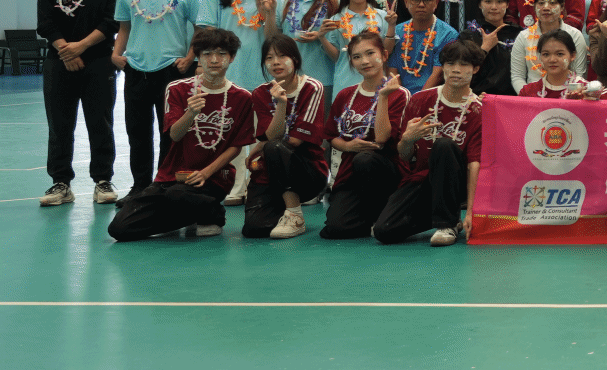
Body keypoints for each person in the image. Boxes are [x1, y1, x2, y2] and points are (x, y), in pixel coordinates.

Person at [107, 26, 255, 242]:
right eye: (207, 54)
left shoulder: (242, 97)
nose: (214, 60)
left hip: (213, 178)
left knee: (178, 195)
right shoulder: (177, 89)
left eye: (222, 54)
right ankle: (196, 213)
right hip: (172, 175)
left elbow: (236, 147)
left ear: (231, 58)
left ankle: (213, 213)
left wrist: (205, 173)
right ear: (198, 58)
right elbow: (174, 135)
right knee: (120, 228)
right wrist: (190, 113)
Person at [110, 0, 206, 198]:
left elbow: (200, 29)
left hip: (172, 71)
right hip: (136, 69)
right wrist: (116, 54)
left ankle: (164, 184)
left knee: (171, 132)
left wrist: (190, 57)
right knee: (137, 132)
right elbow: (124, 27)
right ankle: (140, 186)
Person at [37, 0, 124, 209]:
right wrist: (66, 51)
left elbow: (112, 21)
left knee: (100, 122)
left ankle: (103, 180)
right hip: (59, 62)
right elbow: (45, 23)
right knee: (59, 125)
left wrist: (82, 47)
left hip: (99, 62)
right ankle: (61, 182)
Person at [373, 39, 487, 247]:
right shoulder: (420, 100)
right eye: (450, 64)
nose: (456, 70)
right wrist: (408, 139)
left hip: (457, 184)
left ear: (476, 69)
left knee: (444, 145)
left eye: (464, 65)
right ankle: (443, 216)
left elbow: (474, 164)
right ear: (443, 66)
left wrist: (471, 212)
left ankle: (447, 224)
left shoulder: (479, 110)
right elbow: (404, 155)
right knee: (384, 231)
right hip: (422, 179)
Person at [240, 35, 329, 240]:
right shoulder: (260, 93)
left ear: (295, 59)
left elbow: (295, 141)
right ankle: (282, 209)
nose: (275, 62)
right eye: (269, 58)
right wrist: (280, 104)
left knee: (274, 147)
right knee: (254, 229)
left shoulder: (312, 87)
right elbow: (271, 136)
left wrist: (262, 145)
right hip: (272, 172)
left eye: (282, 56)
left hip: (308, 171)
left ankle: (295, 215)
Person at [320, 32, 407, 240]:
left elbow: (382, 138)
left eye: (370, 53)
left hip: (385, 171)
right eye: (357, 57)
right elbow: (331, 136)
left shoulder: (399, 94)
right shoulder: (345, 95)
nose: (364, 61)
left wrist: (383, 96)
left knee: (366, 159)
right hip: (351, 172)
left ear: (384, 55)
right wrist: (348, 146)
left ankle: (384, 211)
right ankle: (369, 215)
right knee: (335, 229)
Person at [275, 0, 337, 103]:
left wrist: (320, 37)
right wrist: (269, 13)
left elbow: (339, 48)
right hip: (288, 79)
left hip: (324, 80)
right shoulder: (282, 0)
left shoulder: (335, 3)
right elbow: (272, 38)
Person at [317, 0, 388, 94]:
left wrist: (392, 27)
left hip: (376, 84)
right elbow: (337, 57)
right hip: (345, 83)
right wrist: (322, 37)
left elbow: (388, 51)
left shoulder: (382, 17)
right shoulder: (336, 19)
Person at [508, 0, 588, 92]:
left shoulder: (575, 35)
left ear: (562, 7)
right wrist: (529, 97)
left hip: (568, 95)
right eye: (541, 3)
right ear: (534, 7)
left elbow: (579, 74)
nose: (546, 8)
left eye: (552, 3)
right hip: (532, 96)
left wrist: (567, 97)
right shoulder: (523, 37)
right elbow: (517, 76)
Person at [390, 0, 461, 94]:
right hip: (399, 95)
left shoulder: (448, 34)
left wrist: (417, 100)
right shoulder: (396, 31)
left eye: (427, 0)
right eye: (415, 0)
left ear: (436, 3)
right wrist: (401, 97)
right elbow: (391, 70)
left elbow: (438, 75)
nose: (421, 5)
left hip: (432, 96)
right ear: (406, 2)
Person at [464, 0, 519, 96]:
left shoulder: (518, 34)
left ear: (507, 4)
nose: (494, 7)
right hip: (478, 97)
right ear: (480, 4)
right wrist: (484, 48)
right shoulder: (469, 35)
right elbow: (463, 71)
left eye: (500, 1)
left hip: (512, 99)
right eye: (488, 1)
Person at [518, 31, 592, 99]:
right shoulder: (527, 92)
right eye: (546, 54)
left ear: (572, 56)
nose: (552, 60)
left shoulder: (588, 91)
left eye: (559, 54)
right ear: (540, 57)